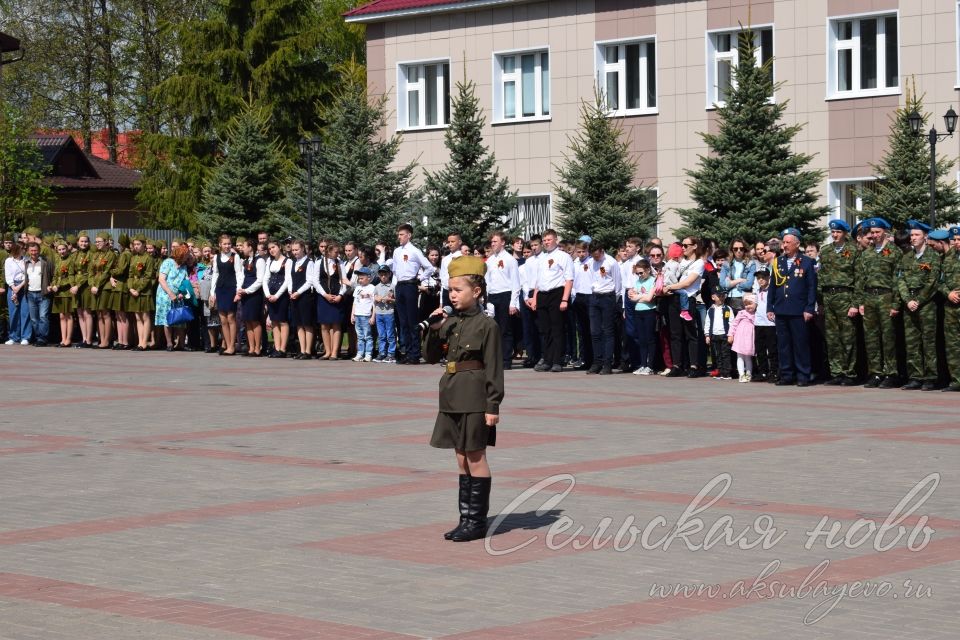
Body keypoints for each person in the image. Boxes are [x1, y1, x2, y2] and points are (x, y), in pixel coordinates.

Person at [424, 255, 503, 543]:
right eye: (450, 290)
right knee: (460, 457)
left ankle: (477, 522)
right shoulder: (450, 321)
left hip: (475, 397)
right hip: (451, 395)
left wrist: (493, 405)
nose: (452, 295)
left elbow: (494, 367)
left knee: (475, 455)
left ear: (477, 291)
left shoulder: (486, 326)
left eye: (458, 290)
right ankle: (465, 519)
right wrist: (434, 329)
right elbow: (431, 357)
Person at [768, 228, 818, 386]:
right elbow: (773, 287)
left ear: (797, 244)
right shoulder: (778, 262)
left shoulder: (807, 262)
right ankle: (787, 375)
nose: (785, 245)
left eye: (788, 242)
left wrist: (809, 308)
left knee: (800, 344)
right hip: (781, 309)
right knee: (784, 345)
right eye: (784, 242)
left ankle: (803, 375)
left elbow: (811, 287)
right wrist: (770, 307)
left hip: (798, 310)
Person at [896, 220, 941, 390]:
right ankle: (915, 376)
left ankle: (930, 377)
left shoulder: (933, 256)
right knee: (912, 341)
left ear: (925, 237)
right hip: (910, 303)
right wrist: (908, 300)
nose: (913, 238)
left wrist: (919, 300)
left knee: (928, 341)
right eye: (912, 235)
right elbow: (900, 279)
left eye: (917, 235)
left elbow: (933, 282)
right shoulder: (906, 257)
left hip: (926, 304)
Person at [856, 218, 901, 388]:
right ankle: (875, 373)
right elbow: (861, 279)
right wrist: (860, 301)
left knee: (888, 337)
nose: (874, 235)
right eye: (872, 233)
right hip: (869, 297)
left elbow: (897, 279)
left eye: (877, 232)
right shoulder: (866, 254)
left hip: (886, 297)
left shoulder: (894, 252)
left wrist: (896, 304)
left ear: (885, 232)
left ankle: (891, 373)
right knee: (871, 337)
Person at [818, 220, 860, 385]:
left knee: (848, 337)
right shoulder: (825, 251)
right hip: (829, 296)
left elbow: (859, 278)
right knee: (832, 337)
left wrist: (855, 303)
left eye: (838, 232)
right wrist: (820, 301)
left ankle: (850, 373)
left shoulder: (853, 250)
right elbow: (821, 277)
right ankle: (836, 372)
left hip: (845, 295)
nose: (835, 235)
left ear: (845, 233)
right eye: (833, 232)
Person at [531, 229, 573, 372]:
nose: (546, 242)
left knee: (557, 329)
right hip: (543, 294)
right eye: (544, 240)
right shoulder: (541, 258)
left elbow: (569, 279)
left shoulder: (563, 256)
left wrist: (564, 299)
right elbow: (538, 281)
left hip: (557, 294)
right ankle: (547, 359)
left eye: (549, 239)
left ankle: (557, 360)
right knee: (545, 330)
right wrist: (535, 298)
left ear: (555, 239)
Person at [663, 237, 705, 377]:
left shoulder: (699, 263)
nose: (683, 247)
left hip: (687, 300)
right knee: (675, 334)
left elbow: (687, 283)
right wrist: (663, 287)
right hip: (673, 298)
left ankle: (693, 365)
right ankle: (677, 365)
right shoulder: (680, 261)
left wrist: (669, 286)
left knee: (690, 334)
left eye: (686, 245)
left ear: (695, 246)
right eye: (682, 245)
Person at [393, 224, 432, 364]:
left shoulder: (414, 251)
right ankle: (407, 351)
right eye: (398, 234)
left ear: (409, 235)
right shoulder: (396, 251)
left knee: (412, 320)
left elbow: (429, 267)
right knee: (402, 321)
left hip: (410, 285)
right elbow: (395, 270)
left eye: (402, 234)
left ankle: (415, 353)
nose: (399, 237)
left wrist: (419, 279)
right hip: (400, 285)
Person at [485, 231, 521, 370]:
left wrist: (513, 303)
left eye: (495, 241)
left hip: (505, 295)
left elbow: (515, 283)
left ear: (503, 242)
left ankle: (506, 360)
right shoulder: (490, 260)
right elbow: (487, 281)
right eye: (492, 242)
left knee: (505, 329)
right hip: (493, 296)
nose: (493, 244)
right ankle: (495, 358)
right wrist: (487, 299)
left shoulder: (510, 260)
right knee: (493, 329)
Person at [586, 241, 621, 375]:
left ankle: (607, 364)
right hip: (595, 297)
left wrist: (614, 299)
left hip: (608, 297)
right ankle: (597, 362)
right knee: (595, 332)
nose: (595, 258)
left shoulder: (611, 262)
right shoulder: (591, 262)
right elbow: (592, 278)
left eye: (596, 255)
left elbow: (617, 283)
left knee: (607, 331)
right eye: (592, 255)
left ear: (601, 251)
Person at [210, 234, 243, 356]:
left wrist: (238, 291)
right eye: (224, 244)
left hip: (231, 289)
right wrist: (212, 293)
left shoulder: (235, 256)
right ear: (220, 245)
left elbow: (239, 274)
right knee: (223, 319)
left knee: (231, 317)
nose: (227, 246)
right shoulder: (216, 257)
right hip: (220, 289)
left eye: (229, 243)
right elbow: (215, 275)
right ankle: (228, 345)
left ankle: (231, 346)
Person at [314, 241, 347, 360]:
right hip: (324, 297)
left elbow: (343, 280)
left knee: (336, 324)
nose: (338, 254)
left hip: (337, 296)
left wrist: (340, 295)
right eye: (336, 252)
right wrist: (325, 294)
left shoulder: (340, 262)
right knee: (324, 325)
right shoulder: (319, 263)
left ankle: (334, 352)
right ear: (329, 251)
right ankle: (327, 351)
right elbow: (315, 281)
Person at [156, 244, 191, 351]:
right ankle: (169, 343)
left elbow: (185, 281)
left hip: (178, 296)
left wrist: (181, 292)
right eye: (186, 255)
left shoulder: (184, 267)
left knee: (180, 319)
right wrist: (170, 294)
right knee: (168, 319)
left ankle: (180, 344)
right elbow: (161, 279)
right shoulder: (168, 263)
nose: (187, 257)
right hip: (165, 295)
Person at [235, 238, 266, 357]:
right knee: (247, 321)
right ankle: (251, 347)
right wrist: (240, 290)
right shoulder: (246, 261)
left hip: (254, 295)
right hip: (245, 294)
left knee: (255, 321)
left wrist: (247, 290)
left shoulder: (259, 261)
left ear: (250, 247)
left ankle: (258, 348)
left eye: (244, 246)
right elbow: (242, 277)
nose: (242, 249)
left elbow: (260, 280)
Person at [262, 239, 293, 358]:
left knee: (282, 321)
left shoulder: (287, 261)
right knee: (274, 321)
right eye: (269, 249)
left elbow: (287, 280)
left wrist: (277, 295)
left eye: (273, 247)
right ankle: (277, 347)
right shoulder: (269, 261)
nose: (271, 250)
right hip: (271, 294)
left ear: (279, 247)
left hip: (281, 294)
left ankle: (283, 348)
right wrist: (268, 294)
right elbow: (265, 279)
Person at [125, 234, 155, 351]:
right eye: (134, 244)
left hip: (144, 291)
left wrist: (138, 289)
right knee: (138, 317)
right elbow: (130, 275)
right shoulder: (133, 257)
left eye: (138, 244)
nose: (136, 246)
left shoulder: (148, 258)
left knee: (145, 316)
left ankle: (144, 342)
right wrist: (131, 288)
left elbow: (148, 277)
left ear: (143, 245)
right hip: (134, 290)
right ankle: (140, 342)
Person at [289, 240, 317, 360]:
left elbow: (309, 281)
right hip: (294, 296)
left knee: (307, 324)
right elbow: (290, 278)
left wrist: (298, 292)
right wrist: (291, 291)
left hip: (305, 296)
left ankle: (308, 351)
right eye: (293, 250)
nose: (295, 252)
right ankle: (302, 349)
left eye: (297, 250)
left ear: (303, 249)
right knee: (299, 324)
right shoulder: (294, 262)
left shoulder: (309, 262)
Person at [940, 226, 960, 392]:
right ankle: (956, 380)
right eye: (954, 240)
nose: (956, 243)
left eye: (959, 240)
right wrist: (948, 293)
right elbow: (940, 281)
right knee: (952, 344)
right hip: (952, 306)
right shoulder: (948, 257)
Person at [630, 258, 658, 375]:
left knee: (649, 338)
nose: (640, 275)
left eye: (641, 273)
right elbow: (632, 297)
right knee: (641, 339)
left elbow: (649, 298)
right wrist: (642, 296)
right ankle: (643, 364)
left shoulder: (653, 280)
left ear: (647, 270)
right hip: (638, 311)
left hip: (649, 311)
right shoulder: (638, 282)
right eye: (637, 273)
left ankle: (650, 366)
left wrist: (639, 296)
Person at [23, 241, 54, 346]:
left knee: (43, 317)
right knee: (34, 319)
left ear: (39, 251)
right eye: (31, 250)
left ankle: (42, 339)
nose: (33, 252)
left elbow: (53, 275)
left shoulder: (46, 262)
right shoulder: (26, 262)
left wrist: (51, 285)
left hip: (43, 293)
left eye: (35, 250)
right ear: (28, 251)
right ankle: (38, 337)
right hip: (30, 294)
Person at [50, 238, 77, 347]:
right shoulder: (58, 260)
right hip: (58, 291)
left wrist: (59, 285)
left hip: (66, 291)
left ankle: (68, 339)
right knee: (61, 316)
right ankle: (63, 338)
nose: (62, 251)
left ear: (67, 249)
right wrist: (53, 285)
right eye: (59, 250)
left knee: (68, 315)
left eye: (63, 249)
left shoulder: (70, 260)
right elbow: (56, 276)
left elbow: (70, 276)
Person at [753, 268, 778, 382]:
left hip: (770, 323)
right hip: (759, 323)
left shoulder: (773, 291)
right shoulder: (757, 291)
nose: (761, 280)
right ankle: (763, 371)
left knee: (772, 349)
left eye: (763, 277)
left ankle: (774, 371)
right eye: (758, 278)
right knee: (760, 348)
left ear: (769, 278)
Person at [719, 238, 756, 313]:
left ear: (744, 249)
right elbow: (722, 284)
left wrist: (731, 283)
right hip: (729, 298)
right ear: (732, 250)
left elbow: (748, 284)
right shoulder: (726, 264)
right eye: (735, 249)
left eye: (741, 249)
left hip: (745, 298)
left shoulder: (751, 263)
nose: (738, 251)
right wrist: (739, 280)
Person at [704, 288, 733, 379]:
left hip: (724, 335)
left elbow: (732, 322)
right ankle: (720, 371)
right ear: (713, 297)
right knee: (717, 354)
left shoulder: (727, 309)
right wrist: (707, 335)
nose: (721, 298)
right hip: (714, 335)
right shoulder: (710, 310)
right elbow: (707, 323)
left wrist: (730, 334)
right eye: (719, 296)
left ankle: (727, 372)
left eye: (723, 296)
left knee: (726, 354)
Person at [729, 293, 757, 383]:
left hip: (749, 338)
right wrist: (730, 335)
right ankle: (741, 374)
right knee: (740, 356)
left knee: (748, 357)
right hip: (740, 337)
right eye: (746, 304)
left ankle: (749, 373)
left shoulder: (757, 314)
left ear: (756, 303)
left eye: (750, 304)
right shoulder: (741, 313)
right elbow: (734, 324)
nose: (748, 306)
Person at [350, 267, 376, 362]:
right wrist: (352, 314)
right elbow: (355, 302)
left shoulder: (372, 288)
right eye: (359, 278)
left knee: (368, 336)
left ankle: (368, 354)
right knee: (360, 336)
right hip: (357, 315)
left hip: (366, 316)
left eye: (362, 278)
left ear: (368, 278)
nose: (359, 280)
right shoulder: (357, 288)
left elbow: (374, 304)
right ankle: (360, 353)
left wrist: (373, 316)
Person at [374, 264, 397, 363]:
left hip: (389, 313)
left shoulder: (392, 286)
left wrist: (391, 300)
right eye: (381, 274)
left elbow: (396, 300)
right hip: (379, 313)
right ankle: (382, 352)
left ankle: (391, 354)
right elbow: (374, 298)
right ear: (379, 275)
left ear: (389, 274)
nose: (383, 277)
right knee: (381, 334)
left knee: (390, 334)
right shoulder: (377, 286)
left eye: (385, 274)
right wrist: (376, 298)